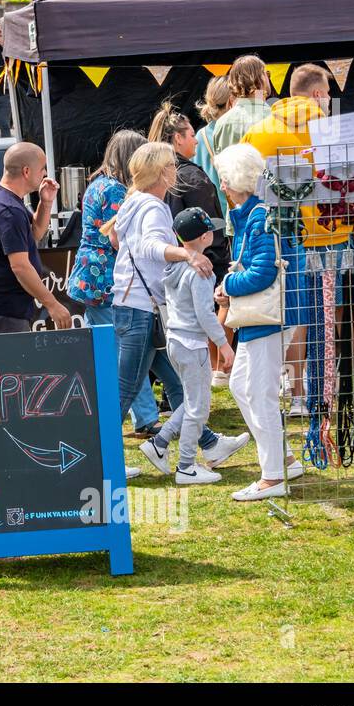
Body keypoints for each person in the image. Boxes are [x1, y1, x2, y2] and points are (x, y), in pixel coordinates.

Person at [107, 143, 249, 478]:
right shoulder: (153, 207)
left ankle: (207, 443)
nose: (177, 170)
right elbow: (148, 246)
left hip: (138, 305)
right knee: (125, 390)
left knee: (175, 381)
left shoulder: (134, 202)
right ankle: (102, 462)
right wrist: (186, 255)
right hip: (141, 306)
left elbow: (118, 240)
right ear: (160, 172)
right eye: (172, 165)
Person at [244, 64, 354, 415]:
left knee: (296, 314)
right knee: (335, 313)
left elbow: (248, 185)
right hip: (334, 233)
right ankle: (335, 388)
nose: (329, 99)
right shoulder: (335, 131)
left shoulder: (259, 131)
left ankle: (298, 393)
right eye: (328, 92)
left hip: (285, 237)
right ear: (316, 94)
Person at [214, 144, 306, 501]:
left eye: (224, 178)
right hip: (264, 315)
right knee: (242, 386)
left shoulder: (258, 216)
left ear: (235, 180)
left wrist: (227, 287)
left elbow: (264, 272)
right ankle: (282, 458)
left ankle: (273, 475)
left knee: (259, 393)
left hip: (270, 315)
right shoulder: (253, 214)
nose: (221, 185)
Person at [68, 130, 163, 437]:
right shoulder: (116, 191)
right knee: (126, 354)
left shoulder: (97, 185)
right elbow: (118, 238)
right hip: (108, 278)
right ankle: (145, 418)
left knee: (116, 353)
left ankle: (141, 415)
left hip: (91, 276)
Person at [139, 208, 237, 485]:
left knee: (193, 402)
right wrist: (224, 345)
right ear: (205, 236)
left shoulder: (175, 266)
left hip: (175, 340)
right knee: (198, 408)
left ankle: (160, 443)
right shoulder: (201, 270)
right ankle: (185, 466)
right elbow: (205, 314)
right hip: (192, 343)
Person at [0, 142, 71, 334]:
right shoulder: (8, 209)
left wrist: (46, 202)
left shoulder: (1, 196)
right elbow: (20, 266)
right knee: (13, 365)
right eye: (42, 169)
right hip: (2, 311)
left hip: (3, 309)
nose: (44, 174)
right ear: (26, 171)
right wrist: (52, 304)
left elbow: (35, 234)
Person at [150, 101, 230, 280]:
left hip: (169, 268)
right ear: (178, 138)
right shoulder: (192, 177)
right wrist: (220, 269)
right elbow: (211, 232)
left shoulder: (155, 175)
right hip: (203, 268)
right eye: (192, 135)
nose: (196, 141)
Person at [209, 54, 271, 154]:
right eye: (267, 74)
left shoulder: (222, 123)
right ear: (262, 79)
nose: (268, 78)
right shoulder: (273, 117)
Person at [193, 75, 233, 216]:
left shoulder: (199, 136)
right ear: (231, 101)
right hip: (237, 211)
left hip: (213, 215)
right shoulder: (233, 131)